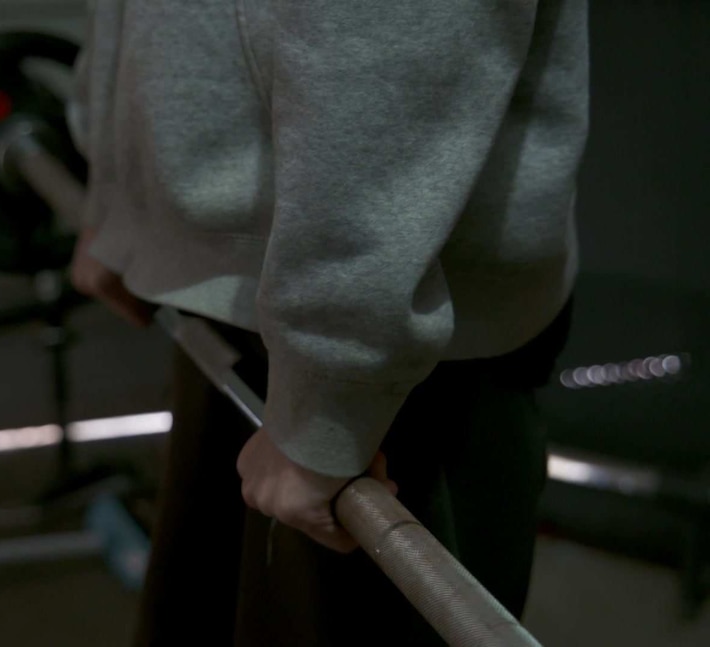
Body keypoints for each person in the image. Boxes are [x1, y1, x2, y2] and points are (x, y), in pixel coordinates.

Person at [68, 0, 589, 644]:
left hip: (396, 354)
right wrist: (119, 199)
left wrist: (331, 394)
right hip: (260, 315)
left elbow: (387, 39)